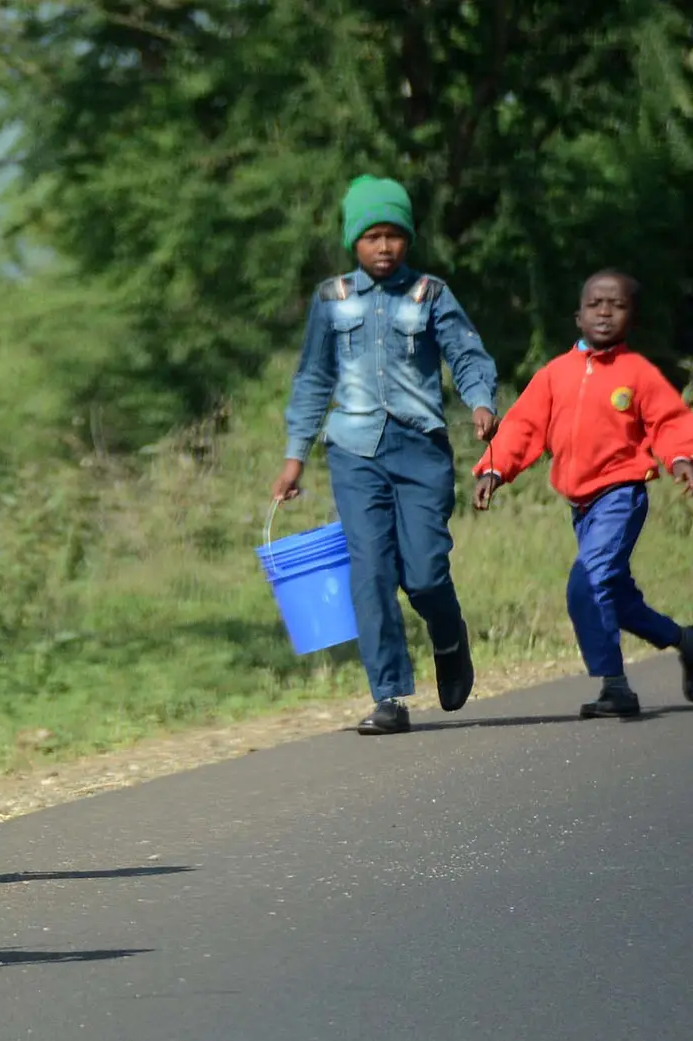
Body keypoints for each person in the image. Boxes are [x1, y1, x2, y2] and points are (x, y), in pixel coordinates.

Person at [273, 175, 499, 734]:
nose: (382, 247)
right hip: (353, 454)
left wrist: (479, 401)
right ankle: (390, 695)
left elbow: (466, 354)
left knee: (423, 574)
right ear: (354, 242)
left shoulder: (430, 294)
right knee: (370, 572)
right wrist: (295, 455)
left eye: (393, 235)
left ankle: (448, 637)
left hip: (420, 450)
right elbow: (313, 378)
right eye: (371, 236)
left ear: (408, 240)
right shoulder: (332, 299)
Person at [473, 271, 693, 718]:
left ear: (632, 318)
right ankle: (686, 641)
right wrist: (494, 468)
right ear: (578, 317)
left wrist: (682, 458)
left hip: (621, 495)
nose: (605, 312)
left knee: (586, 585)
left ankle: (615, 686)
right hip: (581, 505)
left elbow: (669, 422)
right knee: (616, 596)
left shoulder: (637, 373)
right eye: (596, 304)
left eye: (617, 305)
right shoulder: (555, 374)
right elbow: (523, 426)